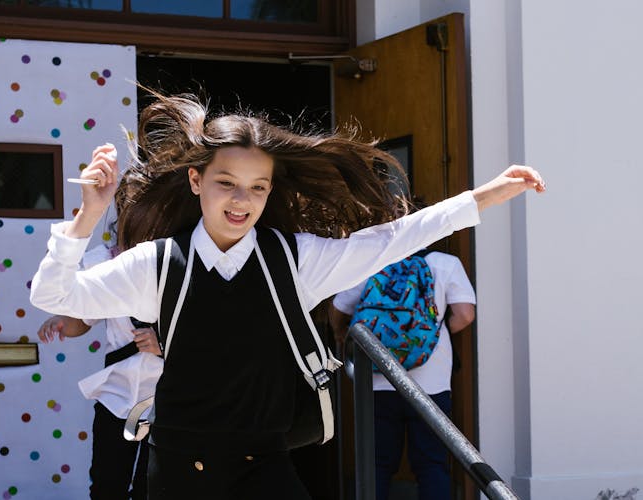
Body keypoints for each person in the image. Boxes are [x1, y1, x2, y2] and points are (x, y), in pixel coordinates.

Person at [29, 89, 545, 500]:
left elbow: (388, 241)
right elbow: (57, 295)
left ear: (271, 191)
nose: (241, 200)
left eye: (257, 187)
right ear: (195, 181)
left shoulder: (294, 259)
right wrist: (88, 215)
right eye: (226, 182)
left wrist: (484, 196)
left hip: (267, 466)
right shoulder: (157, 264)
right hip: (183, 471)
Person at [330, 200, 477, 500]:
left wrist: (340, 334)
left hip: (378, 381)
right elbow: (465, 314)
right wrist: (433, 334)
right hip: (431, 384)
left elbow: (338, 306)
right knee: (432, 463)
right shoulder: (444, 263)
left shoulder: (374, 262)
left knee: (377, 465)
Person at [36, 169, 163, 500]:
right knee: (107, 483)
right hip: (117, 392)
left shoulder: (174, 259)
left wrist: (165, 345)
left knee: (154, 485)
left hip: (167, 393)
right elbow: (84, 320)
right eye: (131, 203)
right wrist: (64, 321)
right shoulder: (103, 262)